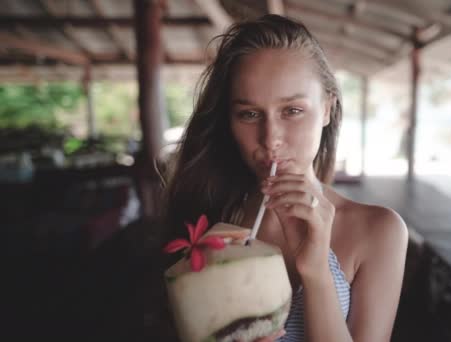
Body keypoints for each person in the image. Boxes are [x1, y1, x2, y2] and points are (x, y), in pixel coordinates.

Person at [162, 14, 408, 342]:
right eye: (249, 114)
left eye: (292, 110)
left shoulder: (380, 231)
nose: (271, 138)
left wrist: (317, 270)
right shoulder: (209, 225)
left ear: (327, 110)